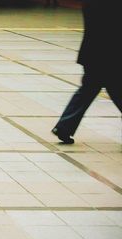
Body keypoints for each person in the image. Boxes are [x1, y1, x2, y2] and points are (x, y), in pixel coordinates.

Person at [52, 0, 122, 144]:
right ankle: (64, 126)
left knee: (87, 91)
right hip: (111, 56)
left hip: (91, 53)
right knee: (113, 90)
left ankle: (64, 127)